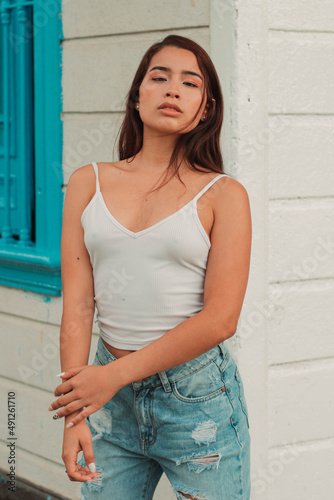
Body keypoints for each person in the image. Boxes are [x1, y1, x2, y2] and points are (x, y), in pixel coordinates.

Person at [48, 34, 252, 500]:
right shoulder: (89, 181)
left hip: (196, 400)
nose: (172, 90)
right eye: (158, 77)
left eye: (190, 82)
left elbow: (221, 319)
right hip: (106, 398)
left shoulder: (223, 195)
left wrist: (112, 378)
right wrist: (75, 414)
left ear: (206, 109)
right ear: (137, 96)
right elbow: (78, 306)